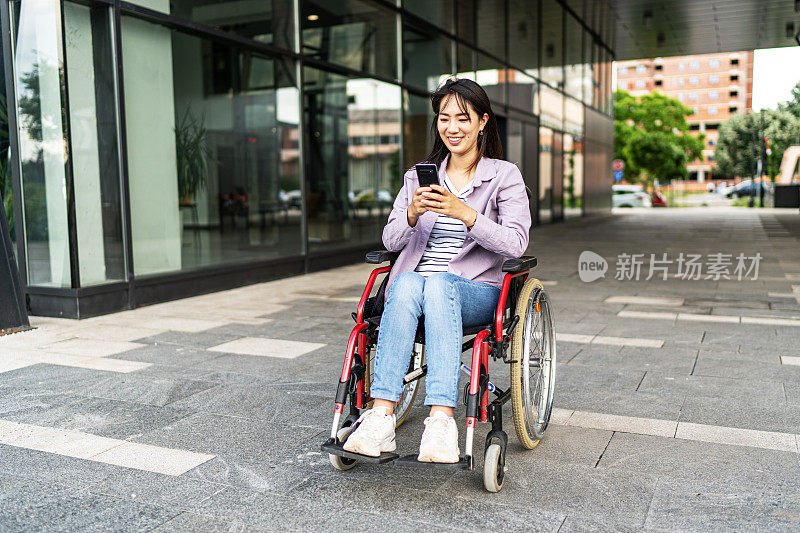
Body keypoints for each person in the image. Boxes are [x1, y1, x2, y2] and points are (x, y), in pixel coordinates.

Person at [343, 78, 532, 463]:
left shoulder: (504, 175)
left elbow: (516, 244)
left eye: (462, 118)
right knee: (413, 280)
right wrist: (412, 213)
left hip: (474, 291)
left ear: (482, 121)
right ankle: (380, 417)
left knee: (439, 283)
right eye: (444, 118)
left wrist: (466, 214)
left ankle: (441, 420)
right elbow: (391, 240)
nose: (452, 127)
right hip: (412, 291)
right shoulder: (418, 175)